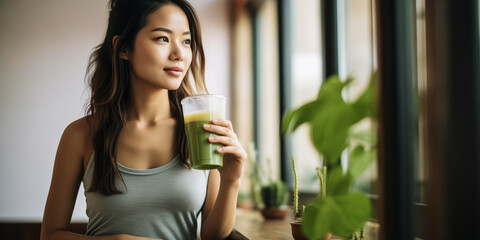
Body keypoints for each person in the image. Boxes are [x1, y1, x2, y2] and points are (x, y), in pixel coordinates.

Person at [40, 0, 246, 239]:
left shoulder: (199, 131)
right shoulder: (80, 135)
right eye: (163, 38)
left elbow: (213, 236)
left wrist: (231, 179)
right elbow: (51, 235)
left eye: (186, 41)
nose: (179, 54)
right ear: (124, 48)